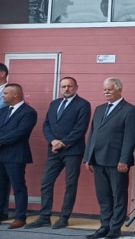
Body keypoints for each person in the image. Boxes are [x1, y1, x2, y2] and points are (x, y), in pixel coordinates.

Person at [27, 77, 90, 228]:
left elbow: (80, 128)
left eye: (69, 86)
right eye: (63, 87)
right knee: (46, 182)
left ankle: (64, 217)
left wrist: (62, 142)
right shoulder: (54, 103)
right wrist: (52, 141)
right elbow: (46, 124)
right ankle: (44, 216)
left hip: (72, 150)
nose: (66, 89)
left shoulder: (83, 105)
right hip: (54, 150)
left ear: (76, 87)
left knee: (70, 184)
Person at [83, 78, 135, 239]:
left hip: (117, 161)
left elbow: (130, 137)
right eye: (104, 89)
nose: (106, 92)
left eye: (109, 89)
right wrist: (88, 157)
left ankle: (115, 227)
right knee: (103, 195)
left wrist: (124, 159)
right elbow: (93, 133)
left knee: (118, 195)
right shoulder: (100, 109)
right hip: (98, 159)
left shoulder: (129, 110)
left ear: (119, 90)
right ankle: (104, 225)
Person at [0, 84, 38, 229]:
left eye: (6, 93)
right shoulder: (3, 111)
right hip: (1, 154)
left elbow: (20, 132)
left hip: (15, 155)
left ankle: (20, 217)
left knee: (18, 186)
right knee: (1, 186)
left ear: (15, 95)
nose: (3, 96)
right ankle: (2, 213)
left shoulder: (28, 112)